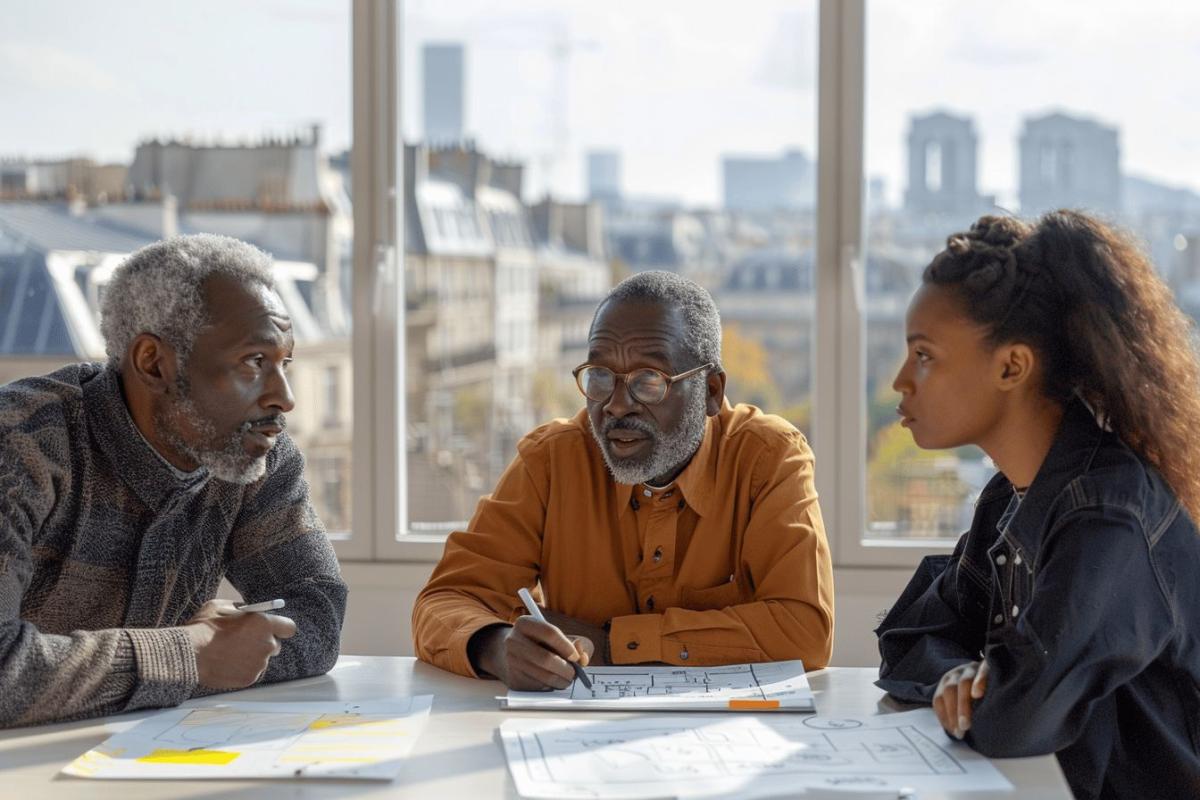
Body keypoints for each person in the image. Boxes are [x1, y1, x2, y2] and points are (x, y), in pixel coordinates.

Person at [875, 211, 1200, 798]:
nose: (902, 380)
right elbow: (911, 635)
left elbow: (1016, 718)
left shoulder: (1109, 517)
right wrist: (959, 677)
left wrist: (979, 688)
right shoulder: (1009, 495)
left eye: (924, 355)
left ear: (1012, 366)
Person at [413, 271, 834, 690]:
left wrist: (613, 644)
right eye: (600, 376)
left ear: (710, 391)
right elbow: (445, 601)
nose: (615, 405)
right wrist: (497, 645)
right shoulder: (551, 460)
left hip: (730, 726)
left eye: (648, 381)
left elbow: (805, 630)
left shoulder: (769, 458)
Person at [0, 234, 347, 728]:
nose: (285, 398)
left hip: (130, 753)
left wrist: (205, 653)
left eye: (284, 363)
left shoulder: (256, 453)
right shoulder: (19, 447)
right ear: (154, 363)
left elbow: (316, 614)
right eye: (254, 361)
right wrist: (188, 655)